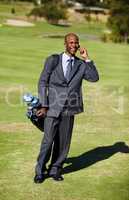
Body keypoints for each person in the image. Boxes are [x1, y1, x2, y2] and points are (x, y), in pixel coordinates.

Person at [34, 33, 99, 183]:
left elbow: (94, 78)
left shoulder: (81, 65)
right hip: (52, 107)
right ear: (65, 44)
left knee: (63, 143)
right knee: (48, 141)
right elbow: (42, 82)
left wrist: (87, 59)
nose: (74, 45)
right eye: (70, 42)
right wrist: (44, 105)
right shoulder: (53, 60)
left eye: (76, 43)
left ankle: (55, 169)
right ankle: (40, 171)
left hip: (70, 108)